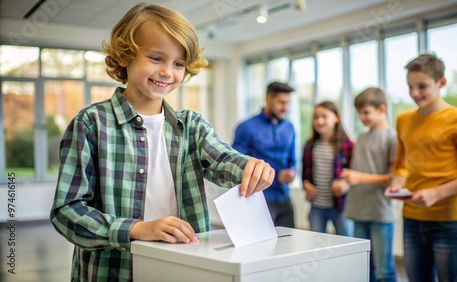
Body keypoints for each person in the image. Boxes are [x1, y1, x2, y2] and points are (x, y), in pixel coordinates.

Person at [50, 4, 275, 281]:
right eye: (156, 58)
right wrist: (135, 229)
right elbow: (67, 211)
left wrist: (251, 167)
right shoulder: (91, 123)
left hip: (181, 270)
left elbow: (224, 160)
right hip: (113, 271)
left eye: (178, 64)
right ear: (125, 56)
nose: (168, 72)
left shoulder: (191, 126)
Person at [386, 53, 457, 282]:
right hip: (412, 219)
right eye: (410, 86)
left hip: (448, 222)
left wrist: (435, 193)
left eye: (422, 86)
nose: (414, 93)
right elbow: (402, 165)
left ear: (441, 82)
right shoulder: (403, 120)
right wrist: (397, 183)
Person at [341, 87, 398, 282]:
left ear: (382, 109)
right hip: (358, 210)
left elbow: (393, 177)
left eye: (366, 112)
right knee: (364, 268)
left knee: (384, 270)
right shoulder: (362, 136)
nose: (362, 117)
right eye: (359, 113)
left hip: (380, 212)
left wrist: (359, 178)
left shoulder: (392, 137)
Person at [232, 81, 297, 228]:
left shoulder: (290, 128)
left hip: (284, 198)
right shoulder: (246, 127)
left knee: (288, 244)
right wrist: (275, 174)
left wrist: (292, 172)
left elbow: (293, 159)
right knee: (262, 248)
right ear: (268, 98)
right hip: (258, 198)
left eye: (287, 103)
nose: (285, 107)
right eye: (281, 102)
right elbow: (236, 165)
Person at [301, 101, 354, 236]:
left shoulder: (348, 146)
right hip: (317, 206)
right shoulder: (310, 145)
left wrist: (345, 184)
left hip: (340, 206)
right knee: (316, 244)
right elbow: (305, 174)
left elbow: (353, 174)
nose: (319, 121)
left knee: (347, 243)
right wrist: (306, 184)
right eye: (316, 117)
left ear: (336, 118)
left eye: (324, 116)